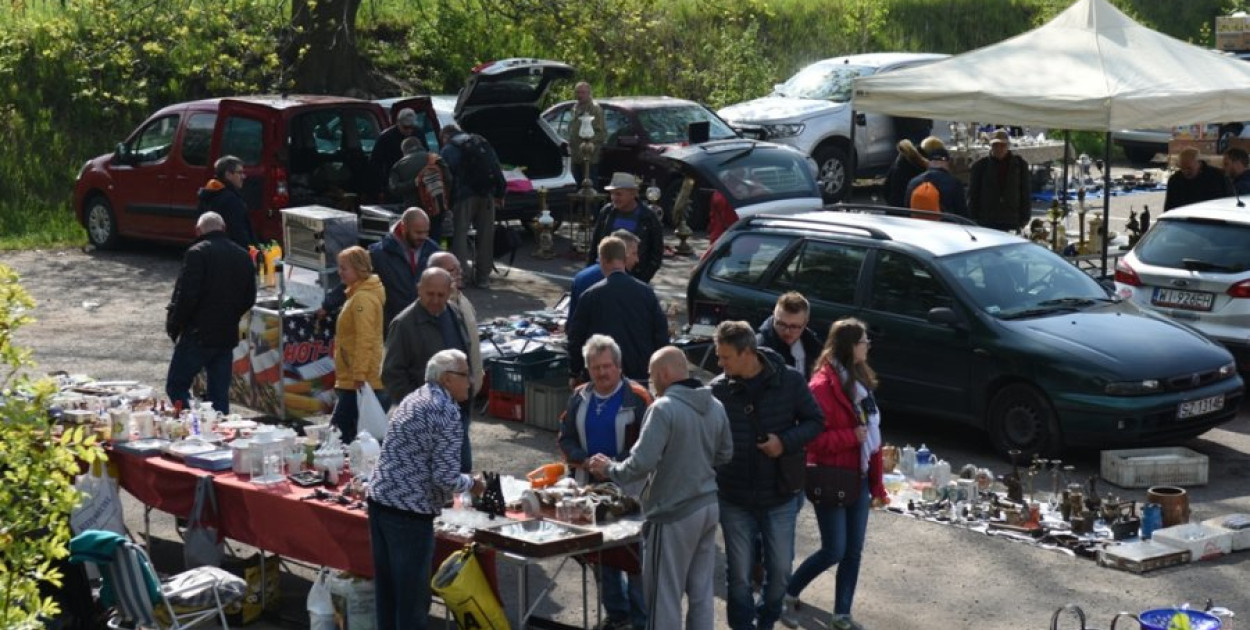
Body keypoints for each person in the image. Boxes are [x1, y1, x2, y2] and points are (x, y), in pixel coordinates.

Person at [587, 346, 733, 630]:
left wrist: (608, 469)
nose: (651, 384)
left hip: (673, 513)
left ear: (665, 374)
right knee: (701, 592)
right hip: (708, 507)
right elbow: (725, 453)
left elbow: (639, 464)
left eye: (652, 377)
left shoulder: (663, 408)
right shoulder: (716, 406)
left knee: (664, 596)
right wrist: (696, 465)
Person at [709, 321, 823, 630]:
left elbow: (815, 421)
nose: (720, 364)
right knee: (740, 576)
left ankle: (767, 619)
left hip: (779, 495)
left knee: (780, 573)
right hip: (734, 497)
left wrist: (783, 443)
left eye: (725, 357)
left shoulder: (790, 381)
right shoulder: (718, 390)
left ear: (747, 353)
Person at [781, 318, 888, 630]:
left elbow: (870, 431)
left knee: (853, 551)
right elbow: (810, 440)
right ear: (849, 345)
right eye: (864, 341)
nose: (868, 345)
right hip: (831, 477)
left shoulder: (860, 382)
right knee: (834, 550)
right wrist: (849, 437)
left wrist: (876, 479)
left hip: (859, 476)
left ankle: (841, 615)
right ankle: (786, 593)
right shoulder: (821, 387)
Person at [367, 349, 485, 630]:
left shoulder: (414, 397)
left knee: (387, 592)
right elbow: (444, 478)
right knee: (412, 601)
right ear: (446, 379)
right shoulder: (446, 412)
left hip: (379, 501)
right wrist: (473, 484)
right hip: (408, 513)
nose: (470, 380)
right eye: (464, 374)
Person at [557, 334, 651, 630]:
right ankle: (617, 614)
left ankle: (641, 620)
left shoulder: (637, 397)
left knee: (634, 559)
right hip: (590, 489)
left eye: (607, 366)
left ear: (619, 366)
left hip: (631, 491)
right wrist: (584, 461)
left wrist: (611, 466)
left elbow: (646, 445)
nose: (602, 373)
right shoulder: (580, 396)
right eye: (595, 367)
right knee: (602, 556)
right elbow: (566, 436)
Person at [164, 211, 256, 414]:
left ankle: (192, 424)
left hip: (198, 334)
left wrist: (175, 324)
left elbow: (186, 296)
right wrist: (231, 315)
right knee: (219, 397)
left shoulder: (197, 253)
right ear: (223, 229)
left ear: (197, 230)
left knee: (176, 386)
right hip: (225, 335)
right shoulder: (243, 256)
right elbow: (249, 299)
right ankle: (219, 433)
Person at [567, 236, 669, 386]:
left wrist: (575, 372)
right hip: (638, 376)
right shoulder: (646, 293)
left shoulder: (590, 296)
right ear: (624, 258)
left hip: (602, 377)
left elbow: (576, 337)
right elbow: (661, 334)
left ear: (602, 260)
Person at [381, 267, 469, 405]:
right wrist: (417, 405)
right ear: (419, 289)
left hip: (458, 407)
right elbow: (391, 374)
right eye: (430, 294)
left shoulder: (454, 313)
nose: (435, 300)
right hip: (425, 412)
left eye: (441, 295)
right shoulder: (403, 324)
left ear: (449, 293)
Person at [428, 251, 481, 472]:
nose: (458, 274)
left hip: (466, 391)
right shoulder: (434, 309)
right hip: (447, 397)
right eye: (452, 270)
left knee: (461, 446)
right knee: (457, 460)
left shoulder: (462, 300)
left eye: (458, 268)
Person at [328, 246, 388, 443]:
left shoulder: (363, 298)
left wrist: (359, 374)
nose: (340, 272)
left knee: (337, 435)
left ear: (358, 269)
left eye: (344, 268)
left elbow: (365, 338)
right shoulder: (358, 294)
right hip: (354, 376)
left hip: (358, 379)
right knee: (347, 434)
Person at [441, 124, 507, 289]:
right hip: (487, 195)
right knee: (486, 235)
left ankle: (460, 277)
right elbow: (496, 166)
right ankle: (483, 277)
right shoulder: (480, 141)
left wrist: (447, 200)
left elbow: (447, 177)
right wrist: (500, 193)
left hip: (464, 197)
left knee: (460, 236)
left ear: (445, 136)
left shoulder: (449, 149)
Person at [589, 172, 665, 283]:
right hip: (606, 275)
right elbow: (595, 244)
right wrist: (591, 270)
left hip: (636, 276)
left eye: (619, 194)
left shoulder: (648, 217)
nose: (614, 198)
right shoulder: (607, 212)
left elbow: (656, 253)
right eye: (612, 194)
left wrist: (643, 278)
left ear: (633, 194)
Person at [389, 137, 452, 243]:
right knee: (439, 236)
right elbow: (449, 179)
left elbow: (394, 188)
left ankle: (420, 258)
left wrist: (414, 183)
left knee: (416, 240)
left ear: (404, 150)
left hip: (414, 211)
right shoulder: (436, 159)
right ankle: (438, 254)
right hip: (437, 207)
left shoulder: (399, 165)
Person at [968, 130, 1032, 231]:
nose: (999, 148)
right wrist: (973, 217)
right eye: (995, 145)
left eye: (1002, 145)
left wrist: (1025, 217)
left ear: (1008, 146)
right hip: (987, 219)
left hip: (1011, 218)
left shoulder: (1019, 165)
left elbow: (1025, 192)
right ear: (991, 146)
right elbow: (973, 193)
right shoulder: (981, 165)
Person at [569, 229, 640, 320]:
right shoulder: (627, 285)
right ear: (622, 253)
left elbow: (572, 320)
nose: (637, 259)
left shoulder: (581, 277)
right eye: (634, 253)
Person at [756, 291, 822, 380]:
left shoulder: (813, 345)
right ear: (773, 316)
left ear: (805, 323)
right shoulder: (760, 349)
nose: (787, 332)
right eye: (781, 324)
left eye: (794, 327)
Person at [196, 155, 257, 248]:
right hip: (231, 254)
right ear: (228, 174)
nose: (243, 176)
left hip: (209, 250)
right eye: (239, 173)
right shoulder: (230, 199)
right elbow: (238, 232)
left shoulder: (208, 194)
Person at [708, 166, 772, 246]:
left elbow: (764, 191)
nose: (742, 170)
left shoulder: (748, 181)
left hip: (743, 239)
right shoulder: (723, 195)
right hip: (726, 241)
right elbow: (731, 221)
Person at [371, 107, 425, 201]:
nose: (409, 130)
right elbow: (376, 164)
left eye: (411, 127)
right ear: (398, 123)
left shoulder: (418, 133)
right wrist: (380, 188)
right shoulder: (385, 138)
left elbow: (425, 155)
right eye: (405, 127)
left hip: (415, 183)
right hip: (394, 183)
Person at [904, 146, 968, 218]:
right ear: (947, 162)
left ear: (929, 162)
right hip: (944, 227)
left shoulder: (913, 181)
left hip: (917, 226)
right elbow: (961, 213)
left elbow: (907, 209)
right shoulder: (955, 183)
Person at [1164, 147, 1234, 211]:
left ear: (1199, 164)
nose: (1185, 172)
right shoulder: (1175, 180)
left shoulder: (1218, 177)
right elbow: (1169, 206)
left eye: (1189, 168)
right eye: (1182, 168)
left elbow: (1229, 201)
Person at [567, 81, 607, 186]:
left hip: (589, 157)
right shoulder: (575, 107)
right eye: (578, 92)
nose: (580, 95)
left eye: (583, 92)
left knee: (590, 185)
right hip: (575, 155)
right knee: (577, 185)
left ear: (589, 93)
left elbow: (601, 133)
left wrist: (587, 144)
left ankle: (592, 203)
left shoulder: (595, 109)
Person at [881, 137, 936, 208]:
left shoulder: (899, 162)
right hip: (912, 212)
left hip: (894, 209)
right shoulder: (925, 170)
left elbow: (886, 188)